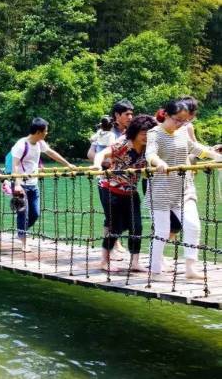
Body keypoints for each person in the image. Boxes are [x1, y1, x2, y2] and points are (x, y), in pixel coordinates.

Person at [145, 98, 222, 280]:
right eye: (177, 119)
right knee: (162, 231)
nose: (180, 124)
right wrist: (159, 162)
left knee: (193, 225)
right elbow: (150, 153)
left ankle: (190, 269)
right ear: (166, 115)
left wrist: (216, 157)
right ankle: (154, 271)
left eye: (184, 120)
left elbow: (196, 149)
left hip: (183, 189)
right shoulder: (154, 133)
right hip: (161, 190)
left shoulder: (182, 132)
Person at [93, 115, 157, 273]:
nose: (146, 137)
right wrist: (96, 166)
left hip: (131, 191)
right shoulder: (123, 143)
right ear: (135, 132)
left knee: (137, 226)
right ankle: (104, 261)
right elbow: (102, 154)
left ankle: (135, 263)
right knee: (115, 226)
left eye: (149, 134)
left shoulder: (149, 148)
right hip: (110, 189)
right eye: (143, 134)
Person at [11, 118, 75, 252]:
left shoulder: (40, 143)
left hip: (33, 184)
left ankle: (21, 231)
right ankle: (24, 241)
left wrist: (68, 164)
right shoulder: (21, 144)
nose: (47, 133)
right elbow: (15, 165)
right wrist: (17, 184)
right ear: (38, 132)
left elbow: (51, 153)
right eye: (45, 131)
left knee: (35, 214)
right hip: (21, 185)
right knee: (23, 213)